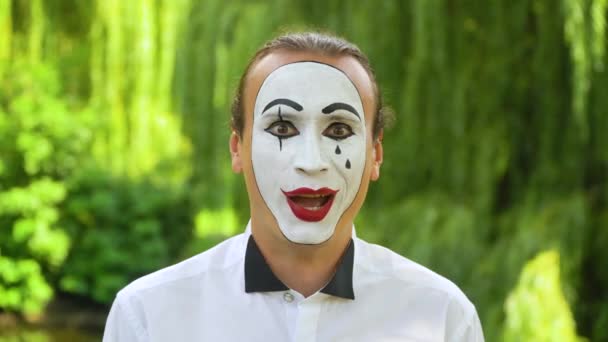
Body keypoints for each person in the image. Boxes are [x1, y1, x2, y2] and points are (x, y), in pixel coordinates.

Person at [103, 31, 484, 341]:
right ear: (238, 148)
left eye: (339, 130)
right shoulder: (147, 317)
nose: (311, 162)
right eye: (282, 128)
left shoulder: (442, 317)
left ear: (375, 155)